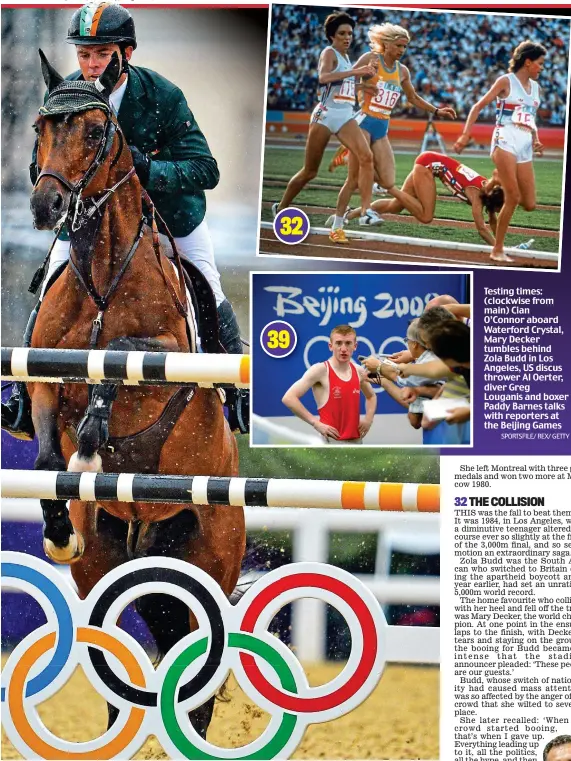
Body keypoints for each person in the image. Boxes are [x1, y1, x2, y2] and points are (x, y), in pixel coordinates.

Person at [2, 0, 248, 439]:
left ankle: (237, 391)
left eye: (101, 53)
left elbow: (206, 170)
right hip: (90, 225)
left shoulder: (162, 96)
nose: (91, 64)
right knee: (48, 285)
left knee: (207, 285)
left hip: (169, 219)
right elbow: (44, 160)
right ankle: (22, 395)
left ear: (126, 54)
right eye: (83, 54)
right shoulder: (65, 96)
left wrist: (147, 169)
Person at [328, 23, 456, 240]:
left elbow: (413, 98)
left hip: (381, 127)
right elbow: (341, 81)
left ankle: (355, 207)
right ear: (386, 45)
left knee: (387, 182)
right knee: (353, 180)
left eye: (405, 47)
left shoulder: (402, 71)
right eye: (398, 46)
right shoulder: (371, 60)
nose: (401, 50)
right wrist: (364, 87)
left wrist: (437, 111)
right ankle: (341, 225)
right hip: (363, 122)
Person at [272, 12, 383, 243]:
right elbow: (324, 78)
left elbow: (342, 87)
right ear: (332, 35)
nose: (347, 37)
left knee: (365, 156)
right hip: (325, 116)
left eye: (350, 33)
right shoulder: (329, 52)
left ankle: (344, 222)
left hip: (345, 115)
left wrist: (363, 88)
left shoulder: (346, 57)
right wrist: (357, 72)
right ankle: (281, 207)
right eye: (342, 33)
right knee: (310, 171)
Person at [454, 40, 546, 262]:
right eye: (540, 63)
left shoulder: (536, 88)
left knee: (530, 203)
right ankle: (497, 249)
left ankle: (496, 180)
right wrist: (465, 135)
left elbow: (529, 118)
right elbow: (478, 106)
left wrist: (536, 139)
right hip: (504, 138)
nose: (542, 68)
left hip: (524, 143)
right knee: (513, 196)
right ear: (527, 62)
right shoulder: (506, 82)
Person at [341, 151, 505, 247]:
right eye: (500, 208)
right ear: (493, 202)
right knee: (426, 216)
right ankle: (386, 186)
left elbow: (492, 221)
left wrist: (501, 243)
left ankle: (349, 214)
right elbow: (482, 229)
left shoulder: (490, 193)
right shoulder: (477, 196)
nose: (498, 212)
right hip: (427, 166)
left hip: (428, 161)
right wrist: (498, 248)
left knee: (395, 206)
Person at [281, 325, 376, 444]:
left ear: (355, 346)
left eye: (348, 343)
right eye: (338, 343)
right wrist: (316, 423)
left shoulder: (359, 371)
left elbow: (371, 396)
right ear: (330, 346)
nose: (343, 348)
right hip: (330, 441)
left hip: (356, 441)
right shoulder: (320, 370)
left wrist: (368, 419)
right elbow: (289, 398)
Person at [361, 318, 443, 429]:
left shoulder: (424, 365)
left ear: (414, 344)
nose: (407, 345)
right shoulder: (437, 357)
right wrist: (384, 379)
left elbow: (415, 420)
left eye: (407, 340)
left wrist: (379, 367)